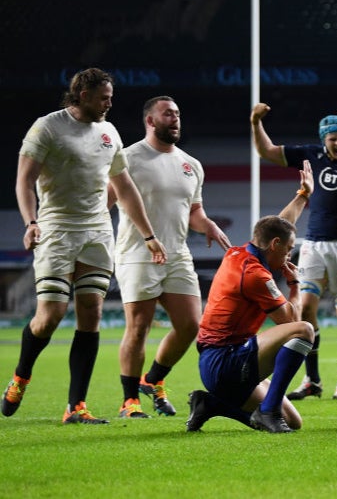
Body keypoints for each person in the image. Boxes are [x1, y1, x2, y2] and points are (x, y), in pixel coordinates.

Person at [2, 68, 167, 424]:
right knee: (50, 317)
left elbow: (124, 188)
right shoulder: (47, 127)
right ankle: (20, 376)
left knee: (90, 315)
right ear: (82, 95)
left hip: (96, 231)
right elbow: (24, 181)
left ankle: (76, 406)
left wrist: (149, 235)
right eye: (104, 97)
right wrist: (31, 222)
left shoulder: (109, 133)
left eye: (111, 96)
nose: (110, 102)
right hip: (56, 230)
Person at [251, 104, 337, 401]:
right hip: (314, 245)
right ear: (323, 139)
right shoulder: (310, 154)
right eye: (332, 139)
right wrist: (255, 123)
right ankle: (312, 379)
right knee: (305, 309)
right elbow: (267, 152)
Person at [112, 96, 231, 419]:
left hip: (177, 253)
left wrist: (207, 225)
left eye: (177, 113)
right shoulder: (128, 158)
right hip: (137, 253)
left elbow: (193, 210)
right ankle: (129, 401)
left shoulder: (191, 164)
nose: (175, 119)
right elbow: (105, 200)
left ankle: (152, 380)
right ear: (150, 120)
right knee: (139, 328)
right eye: (168, 114)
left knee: (191, 325)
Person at [187, 202, 315, 433]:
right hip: (226, 364)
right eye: (289, 249)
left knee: (293, 422)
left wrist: (302, 196)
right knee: (304, 330)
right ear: (275, 245)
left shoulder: (238, 253)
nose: (289, 256)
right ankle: (268, 411)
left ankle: (210, 404)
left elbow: (276, 226)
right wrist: (295, 285)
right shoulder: (255, 274)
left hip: (221, 358)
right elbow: (291, 321)